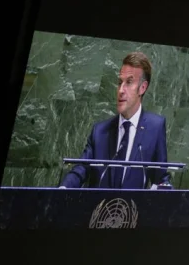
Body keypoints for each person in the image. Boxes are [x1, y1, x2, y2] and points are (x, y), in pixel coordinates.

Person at [59, 52, 171, 189]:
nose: (121, 90)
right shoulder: (99, 131)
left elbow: (161, 178)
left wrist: (165, 189)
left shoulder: (155, 127)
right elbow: (81, 169)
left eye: (129, 82)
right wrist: (63, 189)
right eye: (119, 82)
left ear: (142, 88)